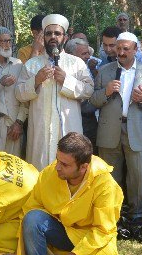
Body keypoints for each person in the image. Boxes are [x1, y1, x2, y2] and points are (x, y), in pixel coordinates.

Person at [13, 133, 123, 255]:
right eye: (57, 160)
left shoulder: (105, 185)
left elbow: (103, 230)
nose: (57, 167)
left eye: (64, 164)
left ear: (83, 167)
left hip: (90, 239)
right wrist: (17, 253)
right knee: (32, 218)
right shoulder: (50, 173)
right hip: (62, 231)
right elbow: (32, 206)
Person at [90, 32, 142, 243]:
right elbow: (92, 101)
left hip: (138, 131)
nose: (120, 52)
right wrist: (105, 92)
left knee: (139, 176)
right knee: (111, 177)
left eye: (125, 49)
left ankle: (137, 219)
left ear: (136, 50)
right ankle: (115, 218)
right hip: (109, 130)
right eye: (117, 48)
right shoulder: (104, 72)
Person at [15, 14, 94, 170]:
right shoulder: (32, 64)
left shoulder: (76, 63)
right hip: (40, 132)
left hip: (69, 129)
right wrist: (36, 80)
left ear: (64, 37)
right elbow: (19, 94)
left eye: (57, 33)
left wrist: (67, 81)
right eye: (49, 33)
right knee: (40, 172)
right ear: (42, 36)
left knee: (69, 170)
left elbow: (89, 90)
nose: (53, 37)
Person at [0, 26, 27, 156]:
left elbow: (24, 97)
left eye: (9, 41)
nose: (7, 44)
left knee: (13, 168)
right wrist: (0, 84)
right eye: (3, 41)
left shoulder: (18, 64)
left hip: (14, 125)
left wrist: (19, 122)